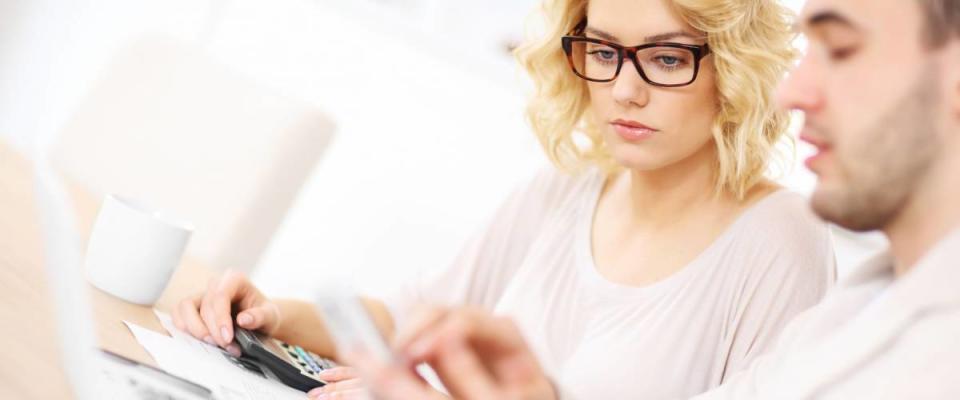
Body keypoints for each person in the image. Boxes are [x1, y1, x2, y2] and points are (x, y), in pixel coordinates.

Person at [172, 0, 837, 398]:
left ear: (735, 68)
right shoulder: (570, 188)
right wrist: (272, 315)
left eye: (666, 60)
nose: (624, 91)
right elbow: (408, 321)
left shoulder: (781, 240)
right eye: (602, 51)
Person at [345, 0, 960, 398]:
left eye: (844, 50)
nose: (791, 94)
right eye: (604, 53)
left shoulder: (793, 248)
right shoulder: (867, 302)